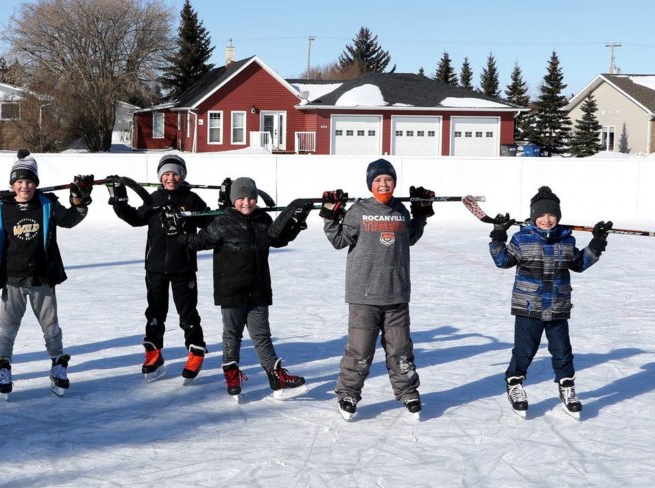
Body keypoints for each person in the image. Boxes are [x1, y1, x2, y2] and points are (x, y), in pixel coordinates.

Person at [163, 177, 311, 400]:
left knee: (262, 336)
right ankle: (231, 375)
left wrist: (298, 219)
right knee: (232, 335)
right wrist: (175, 232)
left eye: (251, 198)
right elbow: (197, 242)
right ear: (233, 200)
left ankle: (276, 377)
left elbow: (279, 239)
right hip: (230, 290)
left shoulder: (263, 220)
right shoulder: (223, 222)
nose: (246, 202)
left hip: (259, 289)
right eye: (241, 198)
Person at [0, 150, 92, 397]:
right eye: (19, 181)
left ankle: (57, 365)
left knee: (51, 327)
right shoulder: (2, 208)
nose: (25, 186)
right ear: (12, 184)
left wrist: (80, 199)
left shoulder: (46, 204)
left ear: (36, 183)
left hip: (42, 278)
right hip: (12, 281)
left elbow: (71, 219)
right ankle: (3, 366)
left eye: (29, 181)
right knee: (8, 328)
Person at [322, 158, 433, 420]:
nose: (384, 184)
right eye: (378, 180)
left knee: (401, 349)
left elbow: (411, 238)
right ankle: (348, 392)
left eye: (388, 179)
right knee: (360, 350)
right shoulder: (359, 211)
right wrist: (330, 215)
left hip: (396, 293)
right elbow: (339, 240)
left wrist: (420, 214)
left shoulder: (400, 211)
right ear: (370, 184)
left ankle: (407, 391)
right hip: (364, 294)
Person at [489, 186, 611, 418]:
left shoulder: (566, 240)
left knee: (563, 352)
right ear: (534, 216)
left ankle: (567, 389)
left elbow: (579, 263)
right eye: (542, 215)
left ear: (558, 217)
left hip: (557, 307)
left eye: (552, 215)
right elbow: (502, 261)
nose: (547, 219)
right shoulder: (522, 238)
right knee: (524, 351)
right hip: (528, 307)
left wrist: (597, 242)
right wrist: (498, 235)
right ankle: (515, 383)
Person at [107, 154, 211, 383]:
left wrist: (222, 204)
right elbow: (135, 218)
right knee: (155, 313)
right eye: (166, 174)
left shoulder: (192, 199)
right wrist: (119, 199)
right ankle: (153, 354)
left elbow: (210, 223)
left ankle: (195, 352)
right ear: (160, 177)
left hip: (183, 267)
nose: (171, 178)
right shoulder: (154, 198)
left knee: (188, 313)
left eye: (175, 173)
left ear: (182, 176)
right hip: (155, 268)